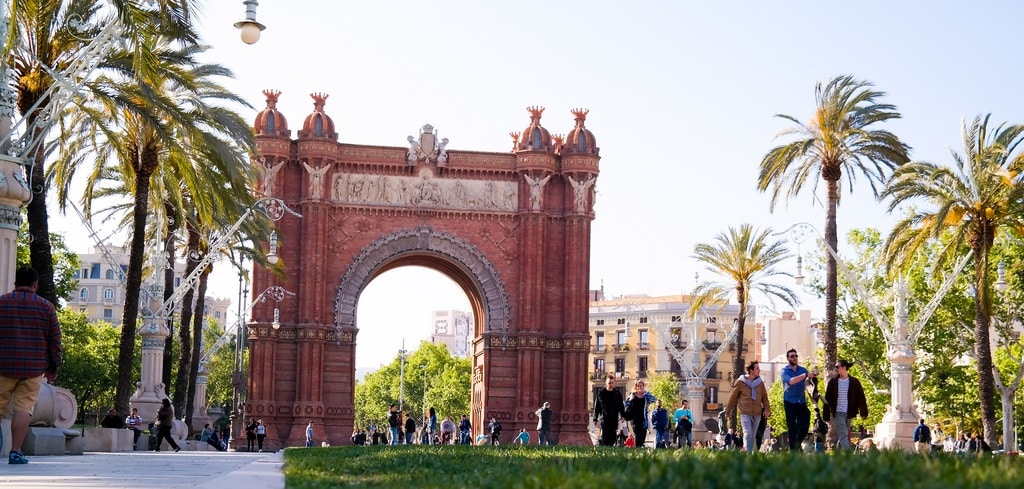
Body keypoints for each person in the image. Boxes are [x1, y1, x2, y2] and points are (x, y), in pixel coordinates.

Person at [0, 267, 62, 465]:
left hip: (3, 365)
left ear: (15, 283)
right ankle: (16, 451)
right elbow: (55, 341)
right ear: (35, 285)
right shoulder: (47, 307)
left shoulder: (1, 303)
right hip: (33, 368)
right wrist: (53, 368)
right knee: (23, 408)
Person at [726, 361, 771, 453]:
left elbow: (764, 397)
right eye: (757, 368)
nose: (759, 370)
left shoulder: (760, 383)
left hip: (757, 413)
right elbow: (733, 398)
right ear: (751, 370)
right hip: (745, 412)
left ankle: (748, 453)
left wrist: (767, 409)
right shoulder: (740, 382)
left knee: (752, 436)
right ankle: (748, 454)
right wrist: (728, 411)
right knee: (747, 433)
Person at [823, 359, 869, 450]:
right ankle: (850, 455)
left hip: (849, 412)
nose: (836, 369)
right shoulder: (833, 383)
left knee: (843, 433)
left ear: (844, 368)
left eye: (837, 367)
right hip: (838, 412)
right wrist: (826, 414)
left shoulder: (854, 382)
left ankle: (839, 453)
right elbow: (827, 399)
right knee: (843, 433)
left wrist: (863, 412)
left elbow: (861, 397)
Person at [781, 348, 812, 451]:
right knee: (792, 428)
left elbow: (808, 384)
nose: (794, 358)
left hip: (801, 401)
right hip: (789, 402)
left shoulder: (803, 370)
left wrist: (812, 378)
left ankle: (796, 445)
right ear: (788, 358)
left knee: (805, 422)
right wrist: (805, 375)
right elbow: (791, 381)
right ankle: (793, 451)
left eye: (796, 356)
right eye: (792, 356)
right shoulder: (785, 371)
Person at [593, 375, 626, 446]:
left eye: (612, 382)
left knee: (613, 438)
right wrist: (595, 418)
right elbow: (597, 407)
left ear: (614, 383)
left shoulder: (617, 394)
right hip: (604, 418)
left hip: (614, 419)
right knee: (605, 437)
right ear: (606, 383)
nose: (611, 384)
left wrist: (623, 416)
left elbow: (621, 406)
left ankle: (609, 450)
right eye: (609, 383)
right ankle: (605, 450)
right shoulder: (601, 393)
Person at [624, 379, 657, 448]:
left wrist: (645, 392)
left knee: (642, 436)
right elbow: (626, 404)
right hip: (634, 419)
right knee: (637, 435)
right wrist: (631, 399)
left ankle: (638, 449)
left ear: (643, 386)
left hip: (643, 420)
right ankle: (636, 450)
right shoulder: (633, 394)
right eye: (638, 386)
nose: (639, 387)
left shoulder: (646, 396)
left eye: (641, 386)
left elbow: (654, 399)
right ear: (636, 387)